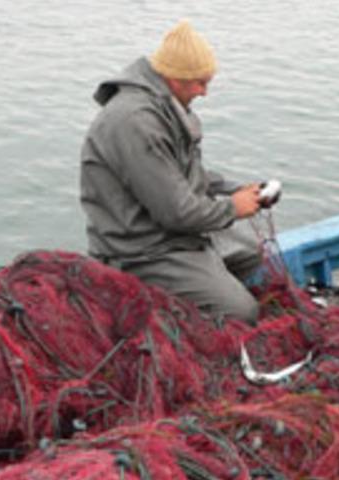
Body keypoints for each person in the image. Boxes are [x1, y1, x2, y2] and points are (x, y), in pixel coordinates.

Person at [80, 19, 264, 323]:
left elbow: (185, 177)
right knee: (243, 312)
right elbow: (177, 213)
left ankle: (195, 289)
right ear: (174, 77)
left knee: (249, 254)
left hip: (172, 236)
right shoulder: (136, 123)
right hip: (140, 252)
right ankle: (165, 305)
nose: (204, 93)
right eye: (200, 83)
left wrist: (237, 189)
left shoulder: (165, 105)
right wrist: (233, 208)